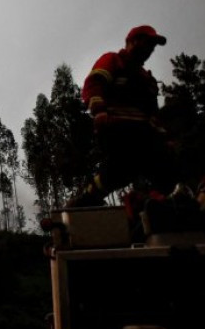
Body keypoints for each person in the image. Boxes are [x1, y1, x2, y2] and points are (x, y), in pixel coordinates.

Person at [66, 24, 178, 208]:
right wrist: (99, 111)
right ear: (131, 42)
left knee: (167, 169)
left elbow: (153, 114)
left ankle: (149, 205)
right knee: (124, 166)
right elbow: (94, 84)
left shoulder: (147, 79)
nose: (149, 49)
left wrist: (164, 137)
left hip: (146, 133)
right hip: (117, 128)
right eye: (146, 43)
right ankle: (87, 198)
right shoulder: (113, 61)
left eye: (152, 46)